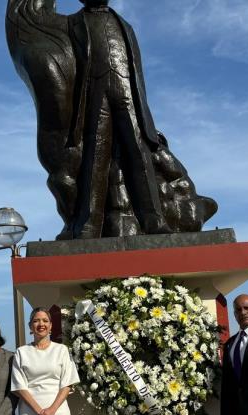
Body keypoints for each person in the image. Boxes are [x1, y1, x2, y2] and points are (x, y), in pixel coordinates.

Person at [65, 0, 171, 238]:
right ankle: (89, 224)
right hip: (94, 94)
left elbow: (137, 71)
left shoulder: (126, 26)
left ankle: (153, 220)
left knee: (139, 153)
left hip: (126, 91)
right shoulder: (71, 24)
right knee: (94, 157)